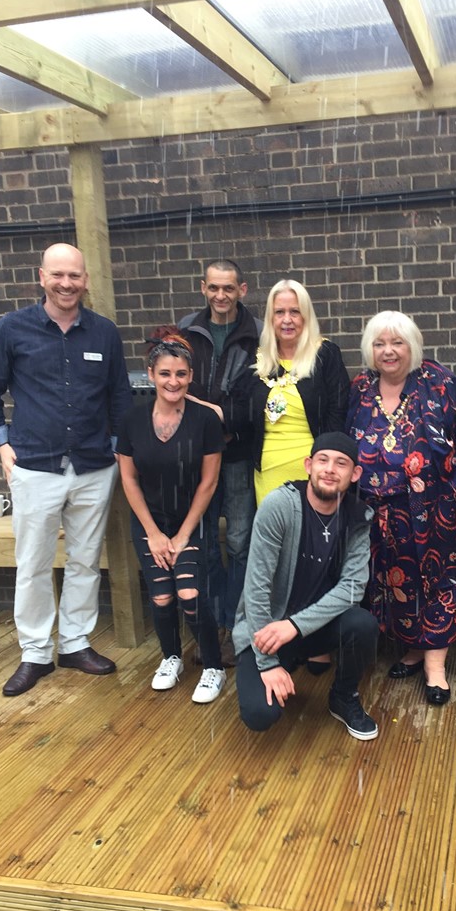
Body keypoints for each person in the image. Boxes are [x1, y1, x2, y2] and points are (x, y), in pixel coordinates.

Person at [0, 243, 133, 697]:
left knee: (85, 560)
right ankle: (36, 653)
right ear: (41, 277)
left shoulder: (103, 333)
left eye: (75, 276)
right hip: (34, 465)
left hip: (92, 465)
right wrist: (0, 445)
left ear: (86, 281)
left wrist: (119, 449)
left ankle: (76, 643)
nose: (67, 284)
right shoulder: (12, 328)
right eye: (58, 275)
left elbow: (119, 397)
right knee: (33, 563)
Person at [346, 310, 456, 705]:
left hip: (434, 509)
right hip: (376, 513)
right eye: (379, 344)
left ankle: (435, 667)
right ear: (369, 350)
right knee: (394, 586)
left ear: (413, 346)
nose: (388, 351)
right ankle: (412, 649)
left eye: (397, 343)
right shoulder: (359, 388)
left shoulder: (441, 384)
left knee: (436, 583)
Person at [233, 432, 379, 740]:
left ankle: (343, 696)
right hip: (268, 631)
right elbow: (256, 590)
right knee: (260, 715)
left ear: (354, 474)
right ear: (308, 465)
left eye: (341, 463)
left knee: (363, 624)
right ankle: (282, 665)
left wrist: (296, 626)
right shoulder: (280, 506)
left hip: (309, 629)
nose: (330, 469)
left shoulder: (357, 517)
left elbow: (353, 587)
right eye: (323, 460)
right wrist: (267, 662)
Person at [117, 329, 227, 703]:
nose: (173, 381)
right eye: (165, 373)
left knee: (190, 593)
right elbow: (129, 480)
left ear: (190, 376)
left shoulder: (206, 420)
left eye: (181, 374)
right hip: (150, 524)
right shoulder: (131, 421)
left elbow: (209, 483)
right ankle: (171, 658)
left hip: (191, 523)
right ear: (151, 375)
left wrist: (181, 535)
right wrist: (153, 533)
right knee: (162, 598)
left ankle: (213, 666)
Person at [178, 259, 261, 642]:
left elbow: (261, 399)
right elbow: (177, 388)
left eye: (229, 288)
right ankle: (212, 626)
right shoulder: (186, 331)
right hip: (199, 455)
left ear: (242, 290)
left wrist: (223, 416)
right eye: (214, 287)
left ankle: (236, 622)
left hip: (240, 454)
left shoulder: (259, 335)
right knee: (206, 540)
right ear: (203, 287)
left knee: (242, 541)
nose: (221, 295)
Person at [246, 279, 351, 505]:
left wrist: (325, 466)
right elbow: (241, 411)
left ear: (306, 316)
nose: (287, 320)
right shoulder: (257, 359)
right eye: (279, 312)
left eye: (295, 311)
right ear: (270, 318)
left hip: (314, 470)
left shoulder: (326, 354)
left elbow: (337, 412)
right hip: (268, 471)